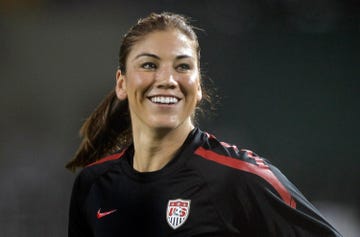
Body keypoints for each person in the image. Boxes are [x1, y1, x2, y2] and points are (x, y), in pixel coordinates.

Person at [66, 12, 342, 237]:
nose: (168, 79)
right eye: (149, 65)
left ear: (198, 87)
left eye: (183, 66)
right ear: (122, 83)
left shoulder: (239, 178)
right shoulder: (93, 185)